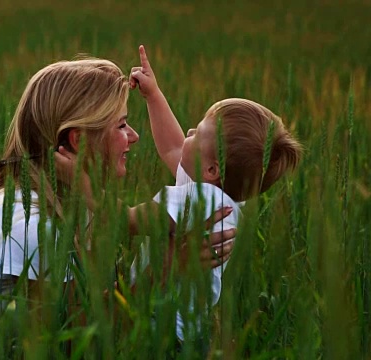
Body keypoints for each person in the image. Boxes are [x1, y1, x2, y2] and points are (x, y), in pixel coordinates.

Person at [0, 57, 235, 357]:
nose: (133, 137)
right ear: (77, 140)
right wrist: (164, 273)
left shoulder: (48, 199)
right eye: (121, 125)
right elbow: (76, 337)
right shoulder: (31, 223)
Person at [128, 45, 302, 347]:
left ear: (212, 168)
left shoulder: (203, 200)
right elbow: (173, 147)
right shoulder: (221, 194)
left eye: (198, 132)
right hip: (186, 331)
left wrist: (83, 198)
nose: (190, 130)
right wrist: (153, 96)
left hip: (164, 330)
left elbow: (130, 221)